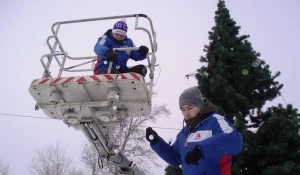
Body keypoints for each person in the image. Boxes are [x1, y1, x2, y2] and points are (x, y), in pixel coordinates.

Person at [146, 87, 243, 175]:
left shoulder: (215, 121)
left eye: (190, 108)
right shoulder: (184, 133)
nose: (186, 113)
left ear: (200, 105)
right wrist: (156, 142)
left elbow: (235, 140)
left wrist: (202, 150)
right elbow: (175, 158)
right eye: (183, 110)